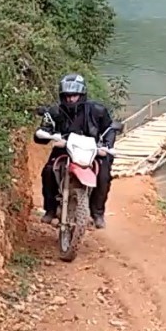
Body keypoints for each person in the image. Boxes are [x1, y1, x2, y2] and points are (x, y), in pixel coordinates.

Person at [34, 73, 117, 229]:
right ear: (62, 96)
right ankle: (50, 209)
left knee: (104, 174)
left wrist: (107, 145)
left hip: (91, 151)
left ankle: (97, 213)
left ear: (82, 94)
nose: (71, 99)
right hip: (65, 150)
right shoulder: (55, 112)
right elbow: (43, 131)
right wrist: (49, 136)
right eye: (67, 96)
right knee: (48, 170)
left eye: (74, 95)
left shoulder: (97, 110)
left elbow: (110, 129)